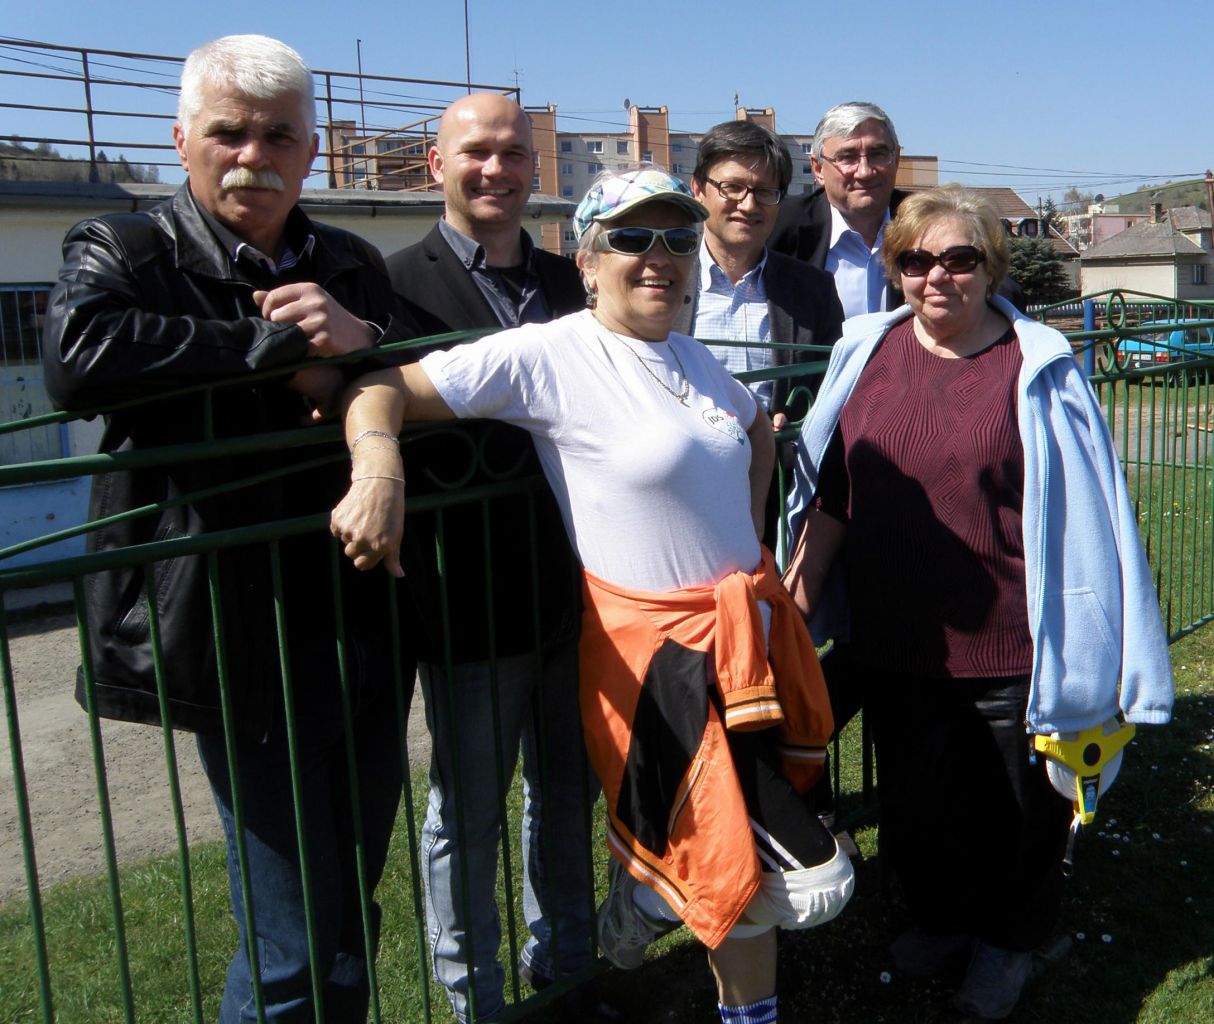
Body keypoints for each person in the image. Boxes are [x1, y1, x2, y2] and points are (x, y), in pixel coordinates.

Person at [331, 166, 855, 1024]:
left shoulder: (692, 355)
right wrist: (379, 467)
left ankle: (659, 901)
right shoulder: (550, 354)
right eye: (632, 238)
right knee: (806, 879)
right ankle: (645, 896)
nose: (660, 257)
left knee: (743, 874)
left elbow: (752, 431)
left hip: (741, 648)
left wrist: (754, 544)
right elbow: (379, 387)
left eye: (678, 238)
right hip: (655, 667)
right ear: (586, 258)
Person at [41, 35, 415, 1023]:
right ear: (181, 141)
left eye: (279, 135)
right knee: (292, 939)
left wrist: (365, 340)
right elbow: (78, 356)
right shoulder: (125, 247)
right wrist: (269, 346)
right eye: (228, 133)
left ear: (312, 150)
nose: (253, 156)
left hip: (358, 611)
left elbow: (422, 368)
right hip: (232, 627)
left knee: (350, 911)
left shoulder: (350, 261)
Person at [782, 185, 1173, 1020]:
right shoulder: (867, 352)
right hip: (894, 638)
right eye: (916, 260)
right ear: (895, 269)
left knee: (1016, 813)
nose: (937, 276)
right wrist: (794, 608)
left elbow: (1087, 511)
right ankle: (944, 919)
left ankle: (1009, 941)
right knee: (916, 805)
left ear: (989, 268)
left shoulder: (1036, 367)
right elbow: (835, 496)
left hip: (1009, 642)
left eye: (959, 259)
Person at [384, 92, 594, 1022]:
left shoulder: (570, 282)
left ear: (534, 170)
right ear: (438, 165)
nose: (496, 170)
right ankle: (476, 1000)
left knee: (567, 794)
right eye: (476, 152)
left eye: (513, 154)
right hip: (463, 595)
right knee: (466, 814)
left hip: (572, 591)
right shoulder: (393, 284)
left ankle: (571, 972)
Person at [674, 119, 843, 557]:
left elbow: (833, 394)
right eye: (732, 187)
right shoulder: (662, 279)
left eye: (765, 192)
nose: (748, 205)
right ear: (698, 189)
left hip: (776, 497)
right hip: (679, 494)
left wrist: (797, 426)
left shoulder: (812, 291)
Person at [769, 101, 903, 319]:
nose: (865, 172)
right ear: (818, 169)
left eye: (878, 154)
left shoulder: (927, 223)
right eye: (847, 157)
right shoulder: (780, 225)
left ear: (896, 160)